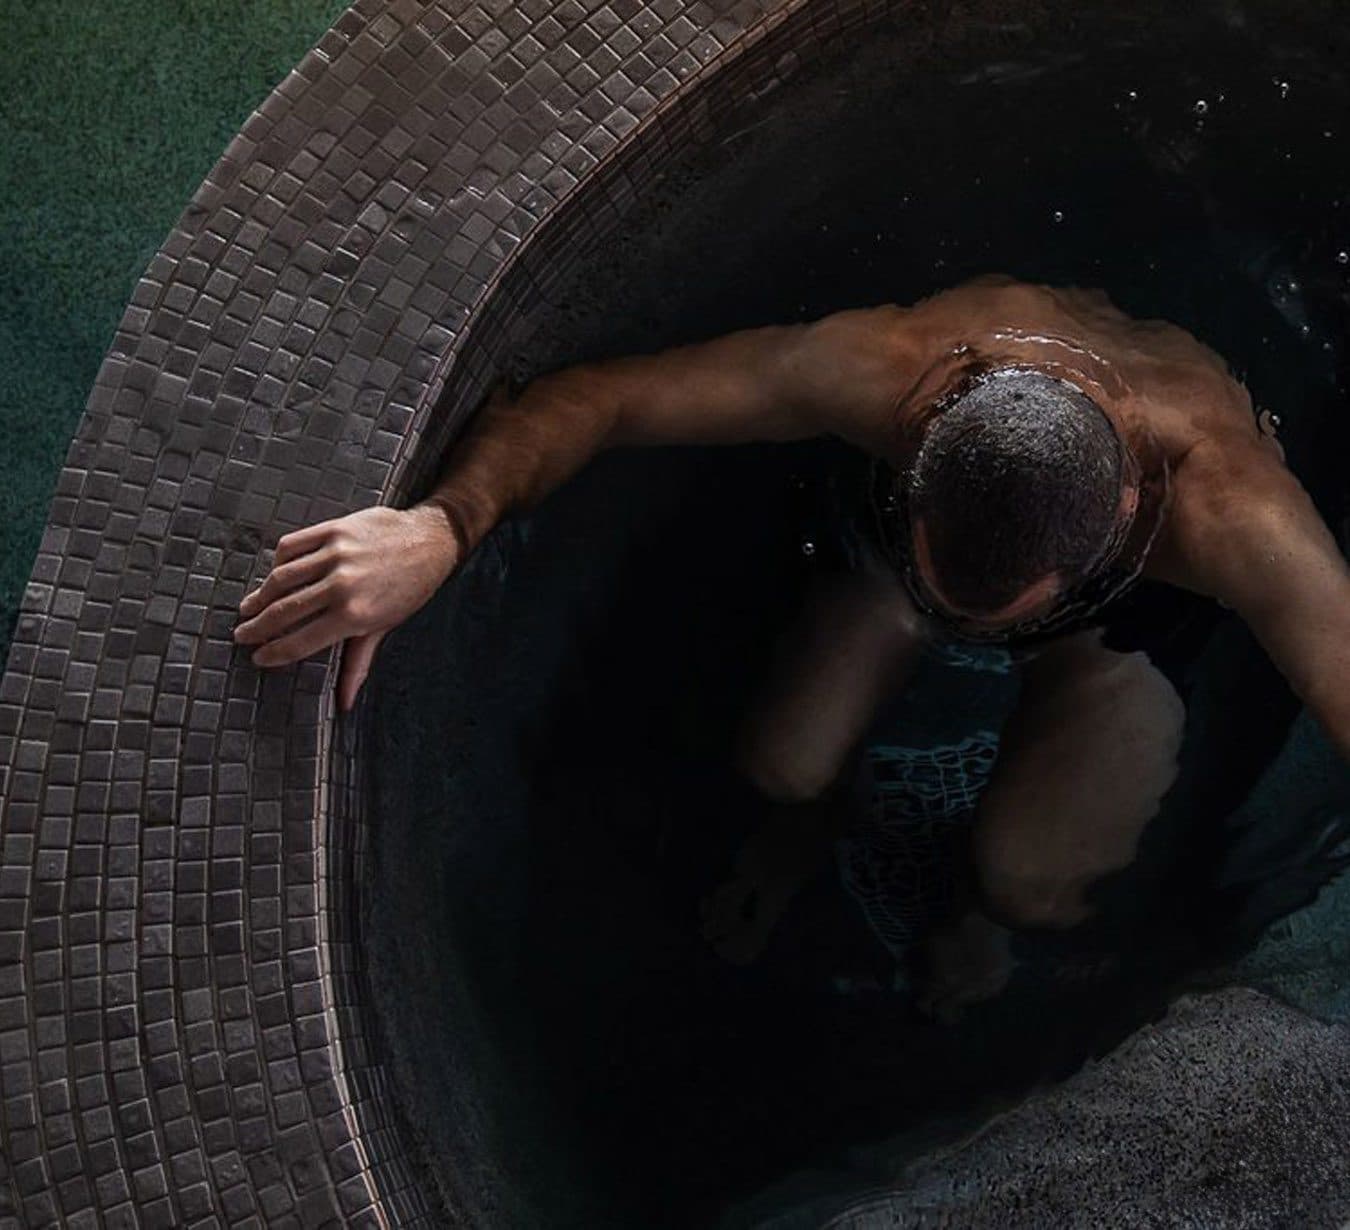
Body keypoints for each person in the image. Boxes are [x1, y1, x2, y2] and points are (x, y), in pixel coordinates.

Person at [233, 275, 1348, 1013]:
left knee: (1032, 881)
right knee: (784, 763)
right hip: (895, 565)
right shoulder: (896, 371)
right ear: (924, 458)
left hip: (1119, 632)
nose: (964, 625)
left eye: (986, 616)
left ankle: (977, 923)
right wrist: (441, 527)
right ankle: (807, 826)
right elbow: (603, 400)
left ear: (1108, 532)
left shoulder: (1230, 518)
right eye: (944, 582)